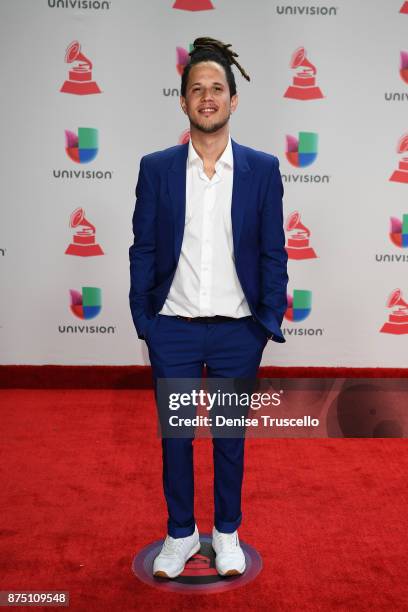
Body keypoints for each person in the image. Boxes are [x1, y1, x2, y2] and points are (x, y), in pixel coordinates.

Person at [129, 37, 288, 579]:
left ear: (234, 100)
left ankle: (225, 533)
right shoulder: (157, 169)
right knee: (177, 439)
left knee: (229, 438)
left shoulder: (263, 169)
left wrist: (265, 323)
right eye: (196, 88)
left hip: (237, 332)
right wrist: (145, 322)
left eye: (216, 88)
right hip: (171, 328)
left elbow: (274, 251)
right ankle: (179, 535)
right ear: (182, 101)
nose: (207, 96)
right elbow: (144, 248)